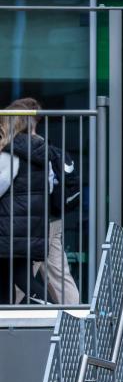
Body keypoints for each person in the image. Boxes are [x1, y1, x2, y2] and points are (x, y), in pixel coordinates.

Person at [0, 103, 52, 304]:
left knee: (18, 278)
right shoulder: (39, 153)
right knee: (10, 276)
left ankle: (50, 308)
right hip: (29, 227)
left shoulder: (10, 154)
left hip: (10, 228)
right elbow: (48, 187)